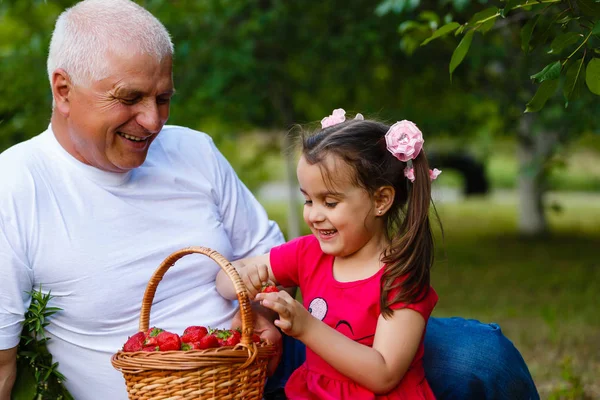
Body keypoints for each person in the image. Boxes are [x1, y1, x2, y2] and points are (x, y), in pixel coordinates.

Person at [0, 1, 540, 399]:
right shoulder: (16, 186)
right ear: (63, 90)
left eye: (163, 97)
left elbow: (266, 255)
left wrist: (261, 309)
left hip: (276, 360)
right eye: (130, 99)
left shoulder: (193, 150)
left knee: (479, 355)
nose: (153, 120)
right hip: (160, 386)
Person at [216, 111, 441, 398]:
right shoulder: (309, 253)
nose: (314, 214)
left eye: (330, 202)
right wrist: (243, 280)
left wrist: (306, 327)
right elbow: (224, 277)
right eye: (308, 200)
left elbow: (384, 373)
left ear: (381, 200)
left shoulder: (400, 275)